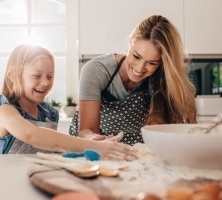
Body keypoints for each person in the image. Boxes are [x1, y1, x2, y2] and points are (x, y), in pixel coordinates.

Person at [0, 44, 135, 161]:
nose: (45, 82)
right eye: (36, 76)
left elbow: (53, 147)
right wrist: (93, 146)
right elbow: (33, 135)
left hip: (39, 179)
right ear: (13, 77)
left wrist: (92, 142)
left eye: (50, 77)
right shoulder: (5, 110)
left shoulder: (48, 114)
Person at [69, 15, 197, 145]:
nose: (140, 68)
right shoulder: (97, 70)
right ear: (130, 42)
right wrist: (96, 140)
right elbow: (87, 130)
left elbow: (155, 127)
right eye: (136, 56)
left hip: (136, 148)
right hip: (93, 148)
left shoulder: (160, 78)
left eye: (151, 63)